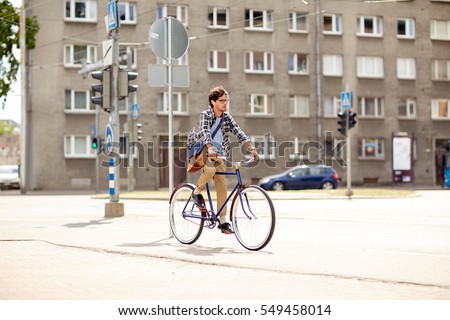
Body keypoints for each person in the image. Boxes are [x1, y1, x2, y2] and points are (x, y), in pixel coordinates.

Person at [191, 86, 259, 234]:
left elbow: (238, 131)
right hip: (204, 150)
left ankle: (222, 222)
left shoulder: (227, 117)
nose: (224, 103)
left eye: (226, 100)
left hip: (220, 155)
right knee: (210, 169)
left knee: (222, 186)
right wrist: (210, 147)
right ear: (213, 101)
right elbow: (205, 131)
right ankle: (196, 192)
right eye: (221, 101)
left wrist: (251, 147)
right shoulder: (206, 115)